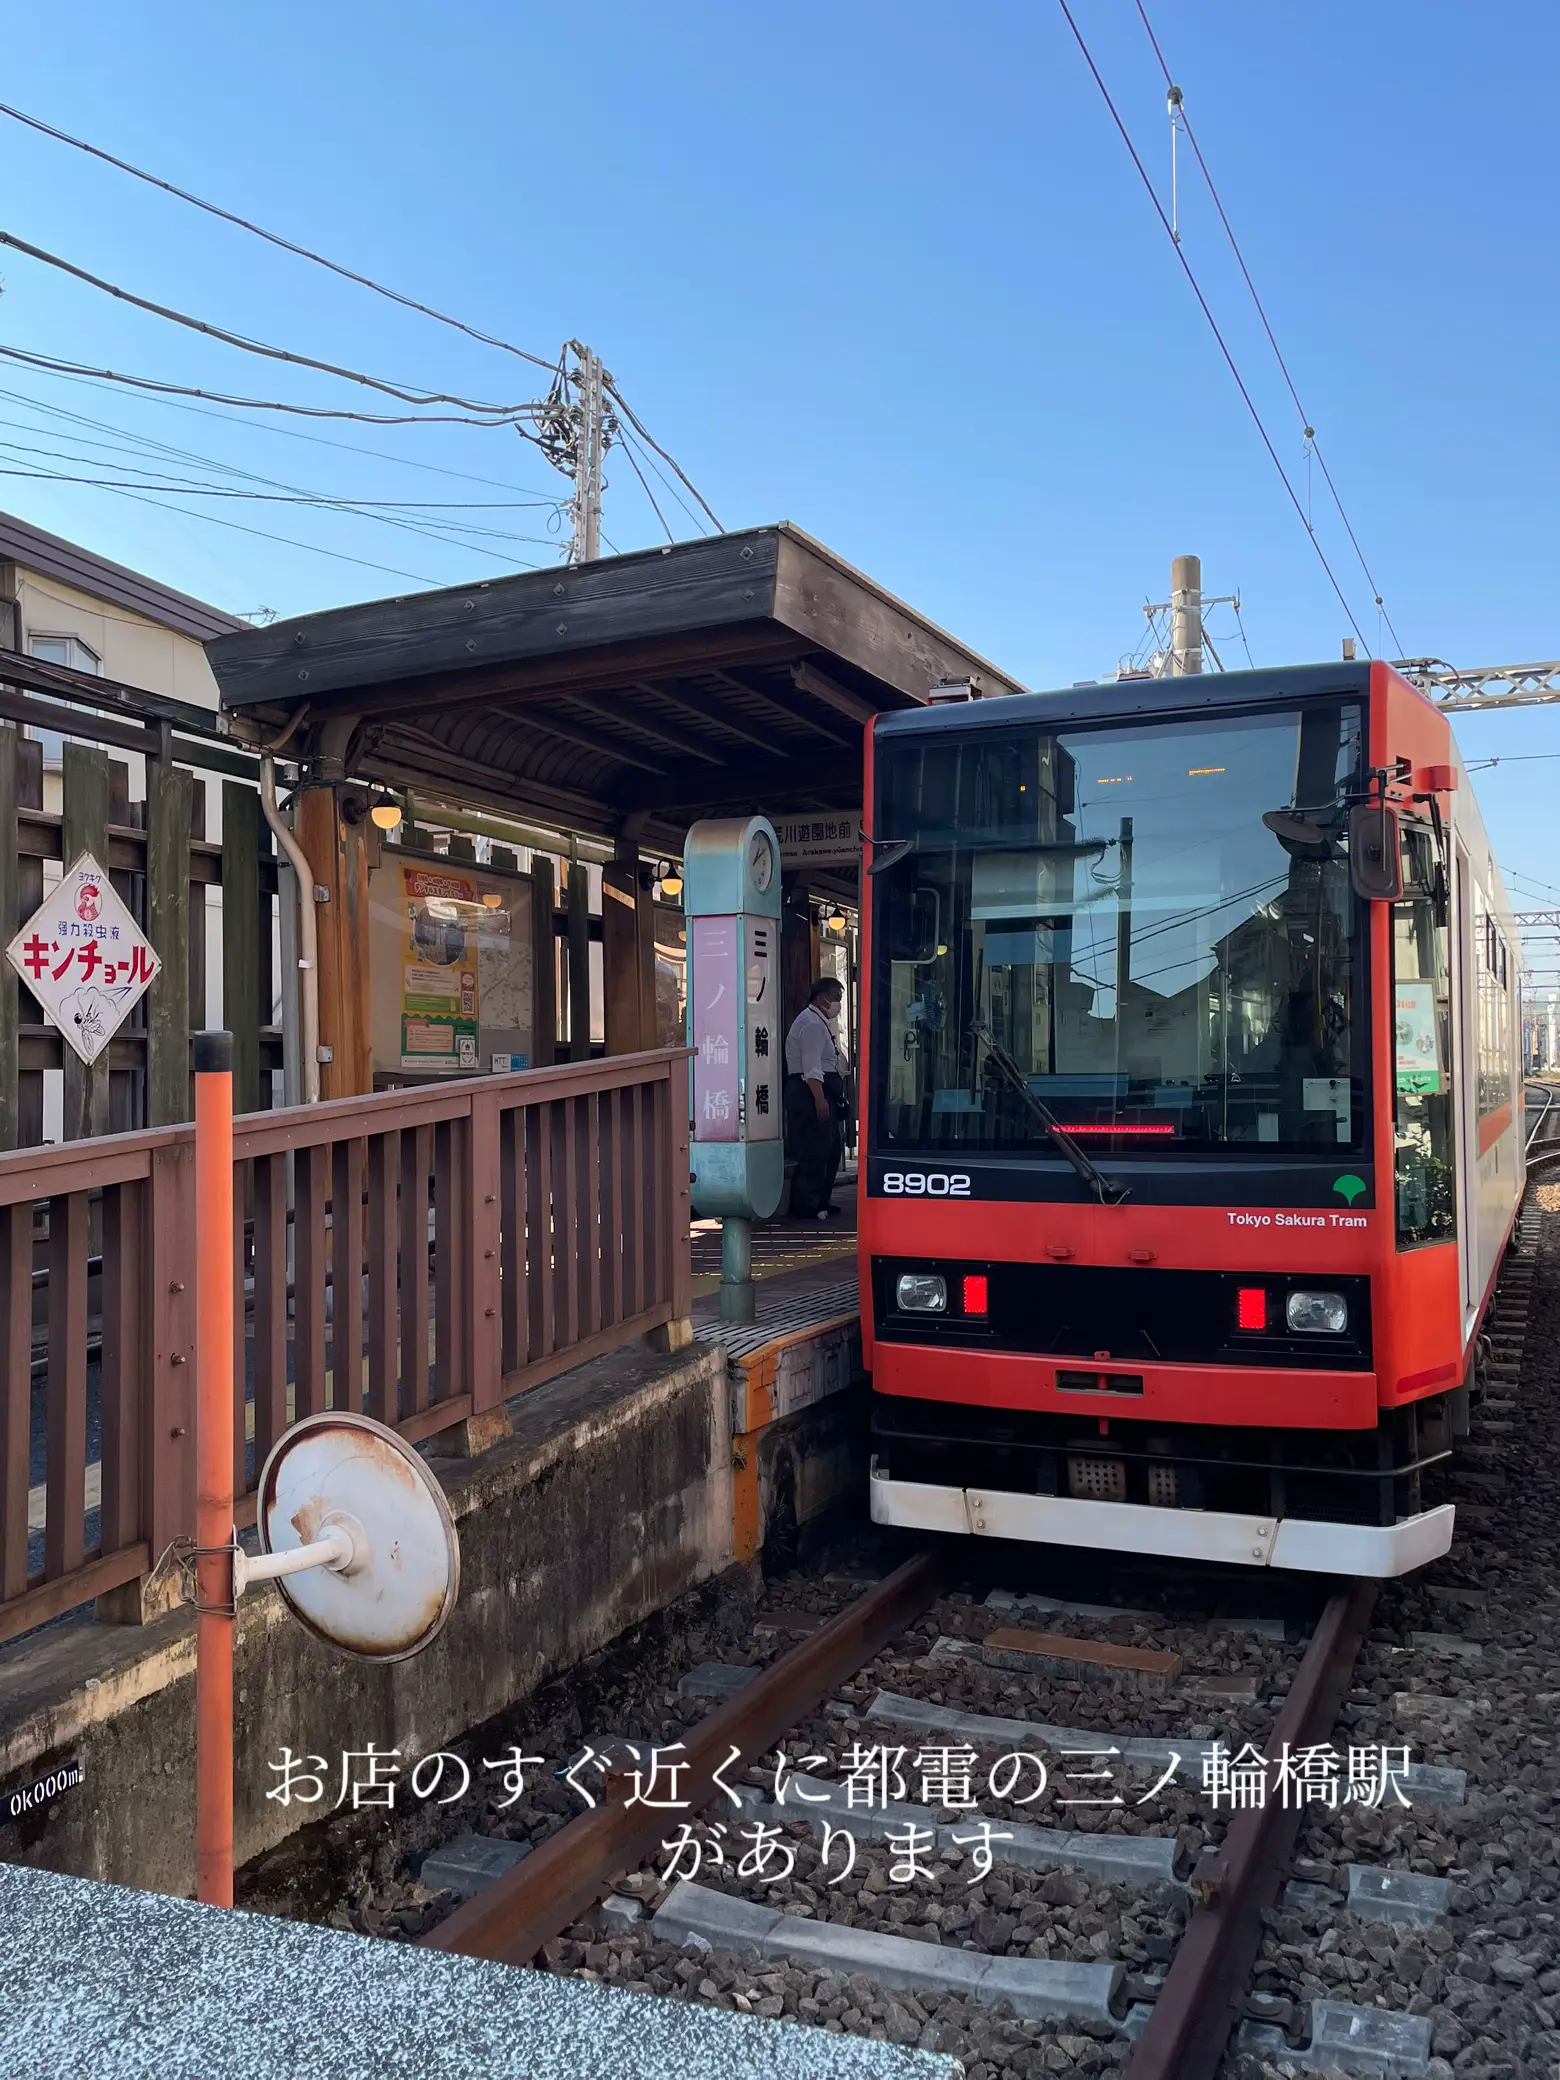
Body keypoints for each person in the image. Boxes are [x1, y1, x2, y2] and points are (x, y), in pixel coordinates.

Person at [784, 976, 847, 1219]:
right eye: (836, 999)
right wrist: (819, 1100)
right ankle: (808, 1204)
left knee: (830, 1147)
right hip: (809, 1092)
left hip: (819, 1090)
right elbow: (811, 1069)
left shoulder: (819, 1022)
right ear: (821, 998)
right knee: (815, 1148)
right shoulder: (810, 1023)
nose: (838, 1004)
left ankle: (821, 1200)